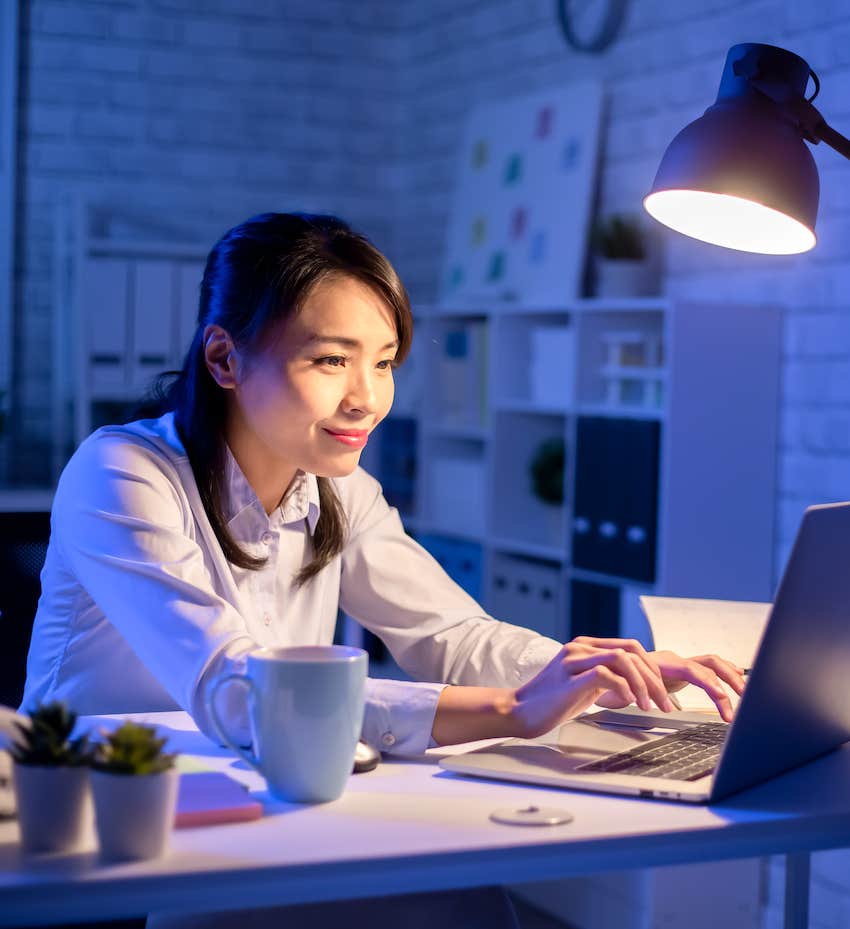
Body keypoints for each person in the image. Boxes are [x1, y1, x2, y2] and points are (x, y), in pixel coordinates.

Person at [21, 212, 744, 928]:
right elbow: (241, 690)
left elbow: (453, 635)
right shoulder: (121, 473)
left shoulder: (340, 488)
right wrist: (509, 712)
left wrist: (596, 674)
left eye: (385, 360)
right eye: (332, 359)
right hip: (96, 842)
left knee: (472, 902)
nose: (367, 397)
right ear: (224, 359)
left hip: (259, 808)